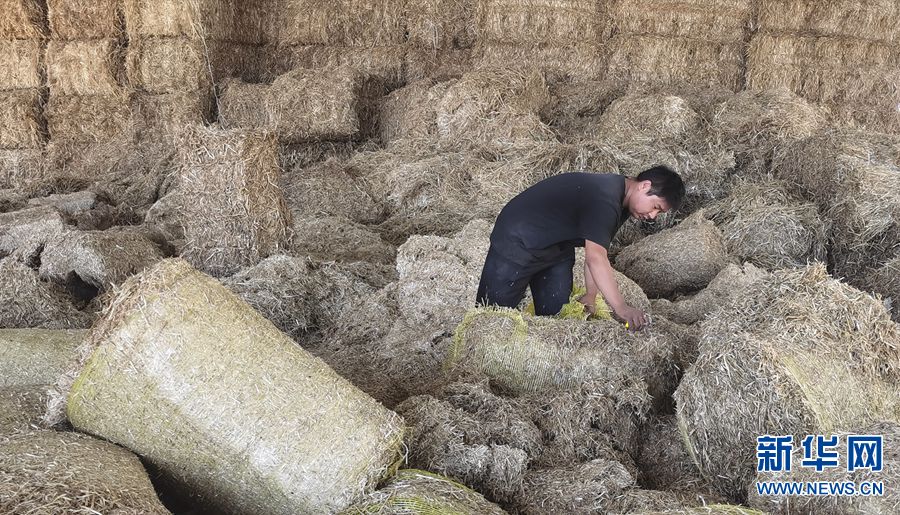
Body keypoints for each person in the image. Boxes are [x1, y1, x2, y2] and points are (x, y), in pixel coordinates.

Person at [476, 166, 685, 330]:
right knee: (492, 318)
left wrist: (591, 296)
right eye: (656, 207)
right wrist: (621, 308)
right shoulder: (605, 198)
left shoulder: (621, 200)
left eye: (658, 213)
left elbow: (594, 251)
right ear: (644, 186)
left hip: (556, 247)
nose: (652, 216)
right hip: (518, 240)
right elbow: (596, 259)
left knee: (557, 317)